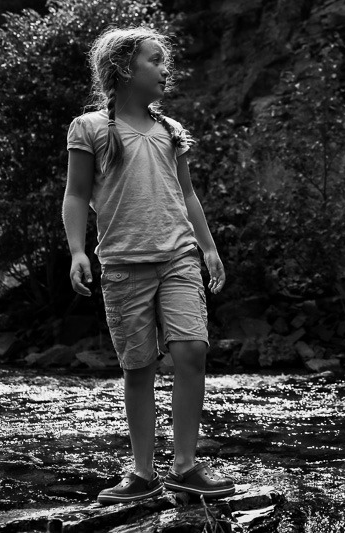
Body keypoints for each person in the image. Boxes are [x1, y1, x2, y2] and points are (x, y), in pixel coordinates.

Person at [62, 27, 234, 505]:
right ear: (123, 69)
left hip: (178, 257)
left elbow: (187, 194)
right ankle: (142, 473)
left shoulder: (169, 130)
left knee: (191, 351)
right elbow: (76, 194)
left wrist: (209, 248)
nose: (165, 70)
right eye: (155, 60)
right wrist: (77, 251)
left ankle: (185, 467)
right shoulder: (90, 128)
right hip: (123, 264)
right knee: (138, 369)